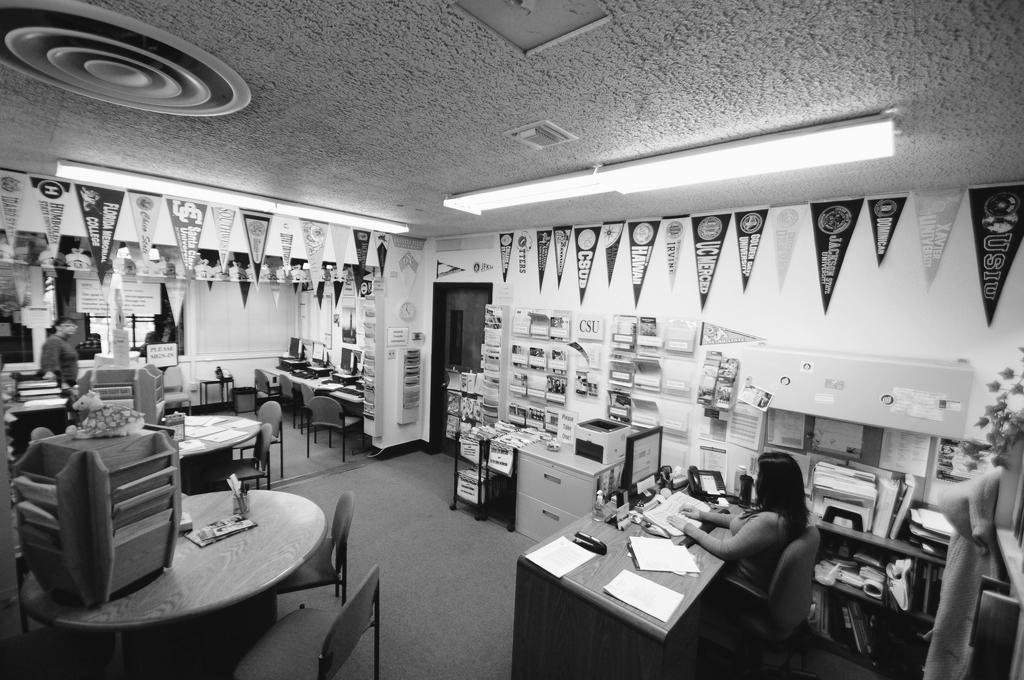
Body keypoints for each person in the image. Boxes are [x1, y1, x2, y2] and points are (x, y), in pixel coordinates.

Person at [670, 452, 809, 591]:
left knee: (683, 576)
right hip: (742, 567)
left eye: (760, 475)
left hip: (739, 583)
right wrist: (702, 515)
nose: (756, 480)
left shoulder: (770, 522)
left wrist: (688, 527)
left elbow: (726, 550)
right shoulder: (785, 511)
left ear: (771, 484)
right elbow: (740, 520)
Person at [40, 317, 80, 389]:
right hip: (61, 385)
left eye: (74, 326)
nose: (71, 328)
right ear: (58, 327)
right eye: (67, 325)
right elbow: (50, 366)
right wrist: (62, 384)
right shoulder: (54, 341)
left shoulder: (63, 341)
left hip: (69, 383)